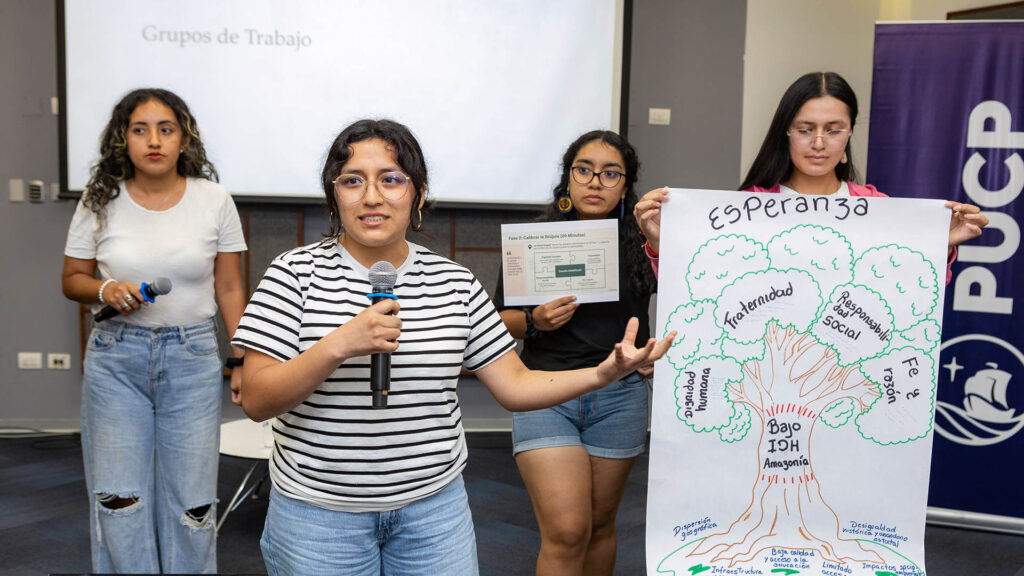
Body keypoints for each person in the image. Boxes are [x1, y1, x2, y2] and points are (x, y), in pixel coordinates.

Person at [229, 119, 674, 576]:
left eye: (391, 179)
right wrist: (339, 345)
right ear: (334, 195)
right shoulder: (293, 273)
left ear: (418, 195)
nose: (372, 196)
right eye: (352, 181)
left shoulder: (454, 281)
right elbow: (259, 400)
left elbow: (515, 385)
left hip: (433, 513)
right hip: (318, 517)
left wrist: (604, 374)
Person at [61, 88, 246, 574]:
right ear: (124, 139)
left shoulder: (214, 199)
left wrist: (244, 357)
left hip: (192, 357)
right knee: (119, 497)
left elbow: (229, 287)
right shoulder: (99, 199)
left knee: (193, 502)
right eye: (140, 129)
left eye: (166, 128)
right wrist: (106, 289)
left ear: (184, 138)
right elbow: (71, 280)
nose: (154, 140)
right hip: (116, 358)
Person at [492, 130, 656, 576]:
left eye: (610, 174)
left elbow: (690, 294)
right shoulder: (534, 242)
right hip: (545, 393)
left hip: (620, 398)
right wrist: (534, 321)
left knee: (600, 526)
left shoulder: (645, 245)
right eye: (584, 170)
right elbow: (496, 319)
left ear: (626, 185)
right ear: (568, 179)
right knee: (567, 531)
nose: (595, 182)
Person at [634, 71, 988, 274]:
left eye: (833, 130)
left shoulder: (878, 207)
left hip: (854, 372)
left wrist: (939, 246)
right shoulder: (747, 207)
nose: (819, 142)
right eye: (805, 129)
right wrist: (659, 241)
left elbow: (909, 287)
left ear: (849, 134)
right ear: (785, 133)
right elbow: (702, 281)